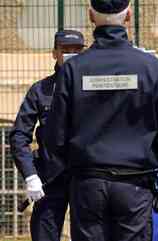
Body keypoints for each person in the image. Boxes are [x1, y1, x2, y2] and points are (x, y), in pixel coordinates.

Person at [45, 0, 158, 240]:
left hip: (88, 184)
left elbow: (55, 137)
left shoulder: (73, 69)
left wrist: (80, 162)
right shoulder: (151, 67)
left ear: (90, 16)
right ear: (128, 16)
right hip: (135, 185)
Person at [9, 30, 85, 241]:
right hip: (50, 178)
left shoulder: (94, 88)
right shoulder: (40, 90)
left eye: (77, 51)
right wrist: (31, 176)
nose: (71, 55)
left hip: (86, 178)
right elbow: (19, 135)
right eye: (66, 50)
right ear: (54, 53)